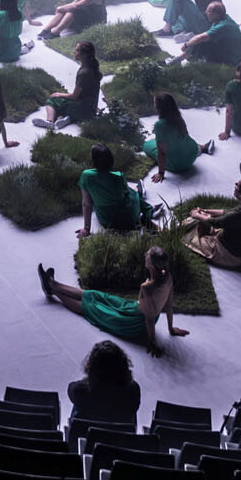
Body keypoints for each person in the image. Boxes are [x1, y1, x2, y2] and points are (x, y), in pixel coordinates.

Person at [37, 254, 186, 353]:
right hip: (134, 308)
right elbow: (168, 303)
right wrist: (171, 328)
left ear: (151, 265)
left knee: (93, 308)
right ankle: (53, 284)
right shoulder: (168, 276)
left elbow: (148, 318)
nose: (144, 256)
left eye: (147, 256)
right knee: (97, 295)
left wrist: (152, 342)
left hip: (134, 321)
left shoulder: (147, 287)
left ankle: (52, 289)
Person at [65, 339, 145, 434]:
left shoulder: (80, 390)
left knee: (78, 404)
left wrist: (87, 380)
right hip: (120, 439)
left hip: (87, 437)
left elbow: (71, 388)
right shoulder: (133, 389)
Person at [78, 144, 152, 236]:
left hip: (106, 220)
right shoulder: (118, 176)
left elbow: (86, 204)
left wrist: (86, 229)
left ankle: (138, 192)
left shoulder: (86, 175)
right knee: (133, 194)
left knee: (130, 192)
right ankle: (146, 206)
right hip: (127, 218)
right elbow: (125, 194)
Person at [35, 40, 102, 130]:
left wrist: (59, 94)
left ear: (84, 55)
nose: (75, 52)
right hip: (91, 110)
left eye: (77, 50)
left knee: (53, 100)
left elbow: (74, 96)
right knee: (64, 103)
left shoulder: (84, 73)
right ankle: (64, 119)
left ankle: (50, 121)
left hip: (82, 110)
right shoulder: (93, 68)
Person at [143, 93, 207, 180]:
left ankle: (201, 147)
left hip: (178, 165)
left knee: (146, 145)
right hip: (192, 154)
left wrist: (161, 173)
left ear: (159, 107)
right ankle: (202, 147)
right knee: (181, 139)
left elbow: (161, 153)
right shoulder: (179, 118)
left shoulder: (159, 125)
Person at [175, 1, 241, 66]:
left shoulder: (223, 26)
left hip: (230, 60)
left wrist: (186, 45)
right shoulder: (224, 18)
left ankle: (177, 60)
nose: (206, 13)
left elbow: (200, 38)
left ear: (216, 14)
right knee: (201, 40)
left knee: (200, 41)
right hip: (230, 54)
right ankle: (180, 59)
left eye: (208, 12)